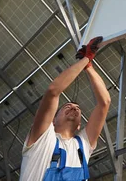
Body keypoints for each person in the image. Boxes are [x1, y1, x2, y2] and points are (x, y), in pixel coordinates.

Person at [19, 37, 110, 181]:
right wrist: (86, 59)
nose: (74, 107)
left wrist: (89, 67)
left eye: (78, 109)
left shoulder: (83, 145)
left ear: (80, 125)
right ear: (53, 121)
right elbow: (53, 91)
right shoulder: (42, 137)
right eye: (67, 106)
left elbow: (104, 102)